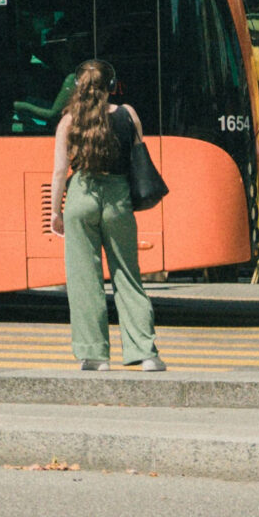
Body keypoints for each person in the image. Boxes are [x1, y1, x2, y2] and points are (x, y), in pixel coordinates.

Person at [48, 59, 161, 371]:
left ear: (78, 87)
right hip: (118, 197)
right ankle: (145, 353)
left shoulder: (68, 121)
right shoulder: (128, 114)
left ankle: (95, 355)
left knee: (85, 279)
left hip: (80, 195)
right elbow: (139, 156)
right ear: (111, 86)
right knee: (127, 274)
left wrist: (54, 211)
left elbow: (60, 171)